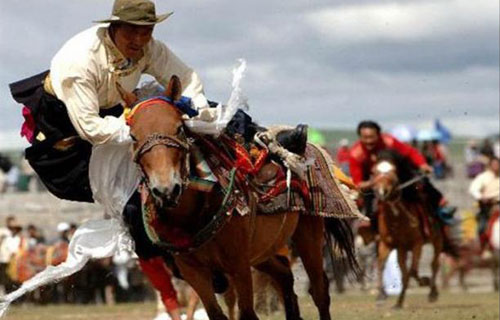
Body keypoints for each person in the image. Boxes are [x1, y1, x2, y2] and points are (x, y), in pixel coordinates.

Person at [348, 121, 455, 229]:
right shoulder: (355, 154)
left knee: (420, 181)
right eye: (365, 137)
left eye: (372, 137)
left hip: (397, 174)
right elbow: (358, 183)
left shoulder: (388, 141)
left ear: (379, 135)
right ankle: (370, 229)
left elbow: (409, 152)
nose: (368, 141)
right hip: (373, 181)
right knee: (366, 202)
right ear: (360, 137)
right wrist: (374, 182)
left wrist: (423, 165)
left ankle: (441, 209)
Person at [468, 157, 500, 245]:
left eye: (497, 164)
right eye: (494, 164)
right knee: (482, 227)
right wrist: (481, 197)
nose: (496, 166)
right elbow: (473, 189)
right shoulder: (483, 177)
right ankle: (484, 247)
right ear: (490, 166)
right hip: (488, 206)